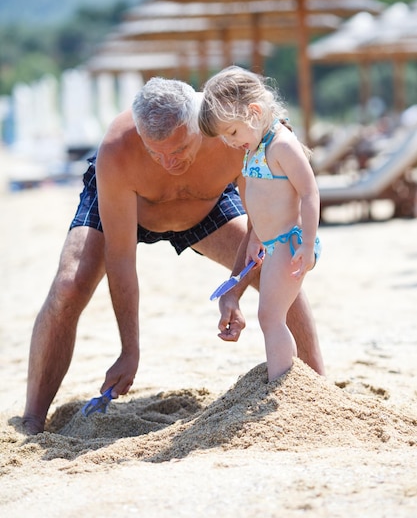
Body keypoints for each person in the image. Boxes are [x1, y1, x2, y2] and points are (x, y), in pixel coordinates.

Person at [22, 75, 324, 435]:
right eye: (155, 153)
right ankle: (32, 418)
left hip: (204, 205)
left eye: (178, 151)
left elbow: (264, 222)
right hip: (130, 207)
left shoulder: (228, 128)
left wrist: (235, 288)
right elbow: (120, 258)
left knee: (276, 269)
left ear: (200, 126)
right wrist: (128, 350)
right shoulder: (118, 148)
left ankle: (317, 392)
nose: (168, 163)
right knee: (70, 284)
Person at [199, 66, 321, 381]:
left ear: (254, 111)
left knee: (270, 316)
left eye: (233, 132)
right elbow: (258, 200)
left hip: (288, 243)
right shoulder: (255, 148)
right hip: (269, 244)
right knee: (270, 316)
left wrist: (307, 245)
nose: (230, 141)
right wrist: (254, 236)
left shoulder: (281, 145)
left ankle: (284, 382)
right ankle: (286, 379)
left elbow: (309, 193)